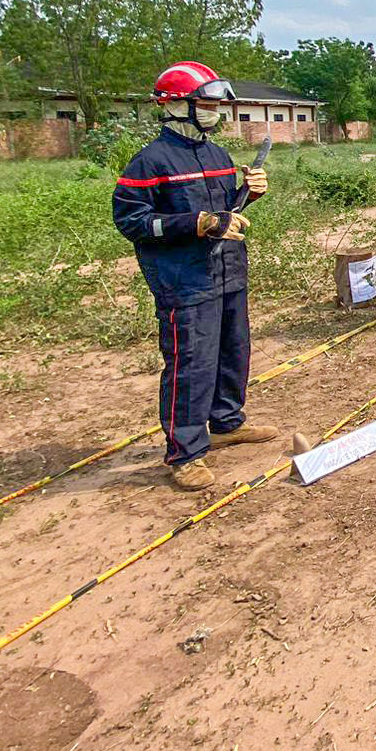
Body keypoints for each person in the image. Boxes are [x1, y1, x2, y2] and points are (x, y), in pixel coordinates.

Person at [113, 61, 277, 492]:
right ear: (176, 106)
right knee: (192, 364)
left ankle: (225, 422)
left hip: (228, 274)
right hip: (185, 281)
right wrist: (196, 223)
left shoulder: (216, 155)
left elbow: (227, 217)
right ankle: (185, 452)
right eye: (206, 103)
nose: (215, 112)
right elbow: (132, 222)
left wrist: (249, 194)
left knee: (233, 352)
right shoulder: (150, 162)